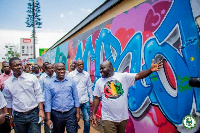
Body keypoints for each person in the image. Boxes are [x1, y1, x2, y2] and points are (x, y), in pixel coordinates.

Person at [92, 59, 163, 133]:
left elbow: (138, 75)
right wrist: (94, 114)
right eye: (100, 69)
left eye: (102, 68)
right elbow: (97, 98)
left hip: (123, 117)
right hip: (108, 118)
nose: (100, 71)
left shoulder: (123, 77)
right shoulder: (99, 82)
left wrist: (150, 70)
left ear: (110, 68)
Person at [3, 57, 45, 133]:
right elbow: (8, 100)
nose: (19, 67)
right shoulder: (7, 83)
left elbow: (39, 94)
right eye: (16, 65)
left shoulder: (32, 78)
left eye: (20, 64)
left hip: (34, 113)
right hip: (18, 115)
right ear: (10, 67)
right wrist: (10, 115)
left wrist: (41, 110)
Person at [45, 62, 80, 133]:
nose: (62, 71)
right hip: (56, 114)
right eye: (59, 69)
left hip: (70, 113)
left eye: (63, 69)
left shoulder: (71, 81)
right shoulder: (49, 84)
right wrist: (48, 119)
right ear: (54, 70)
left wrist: (78, 113)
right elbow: (48, 102)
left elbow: (76, 98)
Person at [68, 59, 93, 133]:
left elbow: (89, 86)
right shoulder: (71, 75)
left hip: (85, 100)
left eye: (82, 64)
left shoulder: (86, 74)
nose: (81, 66)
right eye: (79, 65)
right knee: (74, 120)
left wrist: (91, 98)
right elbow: (69, 88)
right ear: (75, 65)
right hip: (74, 102)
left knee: (87, 120)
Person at [39, 63, 55, 133]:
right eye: (49, 68)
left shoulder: (56, 76)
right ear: (45, 70)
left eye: (52, 68)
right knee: (47, 121)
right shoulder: (42, 78)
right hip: (46, 103)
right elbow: (41, 91)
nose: (51, 69)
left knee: (55, 120)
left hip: (55, 103)